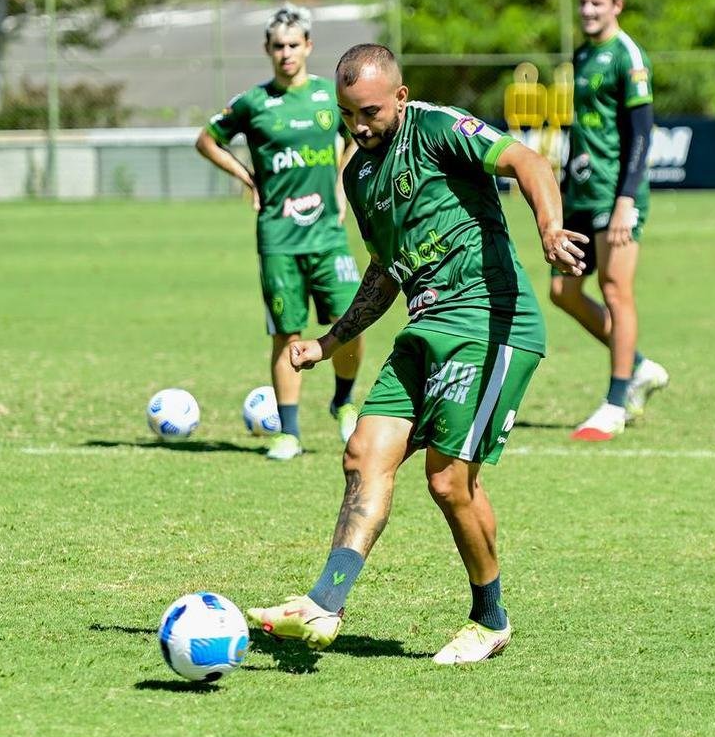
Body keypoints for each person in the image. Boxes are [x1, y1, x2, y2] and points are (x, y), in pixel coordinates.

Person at [245, 44, 588, 664]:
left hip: (489, 320)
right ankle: (325, 602)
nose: (359, 126)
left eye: (370, 112)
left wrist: (549, 228)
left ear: (399, 97)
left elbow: (529, 161)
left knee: (448, 481)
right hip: (425, 328)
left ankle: (490, 619)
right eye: (348, 115)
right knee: (362, 453)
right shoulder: (359, 176)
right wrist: (328, 343)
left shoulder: (437, 127)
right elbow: (384, 273)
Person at [195, 4, 364, 461]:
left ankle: (344, 402)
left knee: (349, 322)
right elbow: (206, 139)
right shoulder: (254, 103)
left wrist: (342, 184)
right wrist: (246, 177)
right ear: (267, 50)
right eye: (278, 46)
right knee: (286, 334)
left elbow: (358, 135)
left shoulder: (332, 97)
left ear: (308, 46)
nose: (286, 53)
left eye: (294, 45)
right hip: (278, 237)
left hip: (327, 232)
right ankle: (289, 433)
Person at [553, 0, 669, 441]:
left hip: (615, 194)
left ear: (617, 5)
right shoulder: (581, 55)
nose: (588, 10)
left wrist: (625, 201)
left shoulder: (627, 56)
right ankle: (637, 365)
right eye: (583, 2)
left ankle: (616, 403)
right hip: (580, 192)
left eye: (597, 3)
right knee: (563, 292)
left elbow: (642, 134)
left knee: (615, 289)